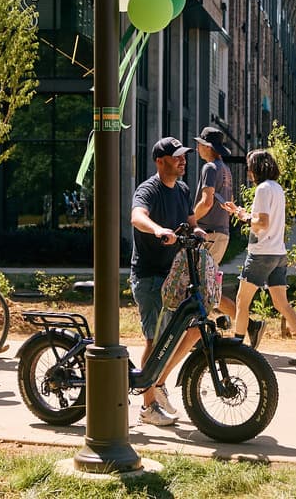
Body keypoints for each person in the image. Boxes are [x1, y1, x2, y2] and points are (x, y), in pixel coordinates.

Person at [222, 148, 296, 367]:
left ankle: (238, 349)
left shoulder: (263, 190)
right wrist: (241, 213)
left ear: (256, 168)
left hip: (261, 253)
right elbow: (264, 219)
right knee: (282, 303)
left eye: (249, 167)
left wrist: (244, 217)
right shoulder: (276, 188)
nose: (247, 171)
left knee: (241, 301)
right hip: (278, 252)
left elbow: (261, 223)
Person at [130, 136, 199, 428]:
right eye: (177, 157)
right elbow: (136, 216)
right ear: (161, 161)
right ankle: (148, 407)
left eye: (184, 156)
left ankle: (158, 383)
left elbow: (192, 222)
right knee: (154, 340)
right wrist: (158, 230)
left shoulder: (182, 189)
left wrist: (199, 233)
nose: (183, 160)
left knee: (194, 330)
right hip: (149, 276)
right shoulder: (149, 189)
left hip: (174, 276)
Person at [189, 126, 245, 337]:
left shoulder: (210, 168)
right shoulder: (225, 169)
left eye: (199, 144)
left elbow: (207, 200)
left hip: (209, 234)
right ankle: (250, 325)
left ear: (207, 147)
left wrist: (191, 220)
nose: (197, 147)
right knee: (209, 287)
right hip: (220, 232)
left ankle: (199, 335)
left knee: (203, 289)